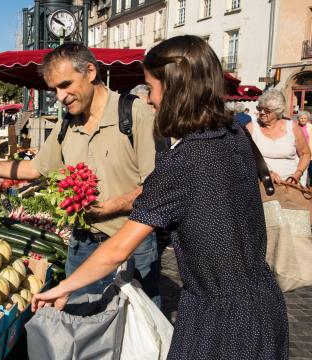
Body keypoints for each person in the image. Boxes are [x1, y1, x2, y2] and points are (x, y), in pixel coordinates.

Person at [32, 35, 288, 359]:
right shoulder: (234, 134)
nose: (150, 100)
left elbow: (117, 250)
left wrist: (62, 288)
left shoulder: (184, 161)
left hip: (220, 320)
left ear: (175, 88)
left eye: (151, 87)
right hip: (264, 305)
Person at [0, 42, 161, 306]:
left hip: (132, 245)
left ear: (89, 71)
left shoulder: (134, 114)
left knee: (134, 331)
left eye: (65, 85)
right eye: (55, 90)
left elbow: (157, 187)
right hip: (82, 245)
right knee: (77, 323)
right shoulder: (67, 124)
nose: (60, 97)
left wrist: (110, 207)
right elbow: (33, 168)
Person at [246, 89, 311, 185]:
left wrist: (297, 174)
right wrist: (266, 174)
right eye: (260, 108)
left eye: (267, 110)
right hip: (261, 184)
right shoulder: (251, 128)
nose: (262, 112)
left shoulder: (292, 127)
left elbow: (305, 154)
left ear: (277, 111)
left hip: (291, 185)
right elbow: (243, 158)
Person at [297, 111, 312, 185]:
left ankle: (306, 186)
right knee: (299, 170)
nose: (303, 120)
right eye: (301, 118)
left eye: (305, 118)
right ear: (298, 119)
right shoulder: (295, 126)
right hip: (297, 153)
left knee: (308, 170)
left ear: (307, 119)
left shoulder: (310, 127)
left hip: (308, 152)